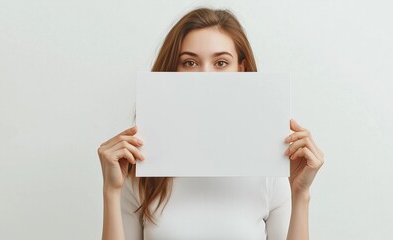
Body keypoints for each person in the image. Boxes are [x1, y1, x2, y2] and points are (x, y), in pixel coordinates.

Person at [98, 8, 324, 240]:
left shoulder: (269, 171)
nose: (205, 75)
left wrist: (301, 194)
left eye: (221, 62)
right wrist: (110, 191)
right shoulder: (142, 170)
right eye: (189, 62)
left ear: (241, 69)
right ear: (172, 71)